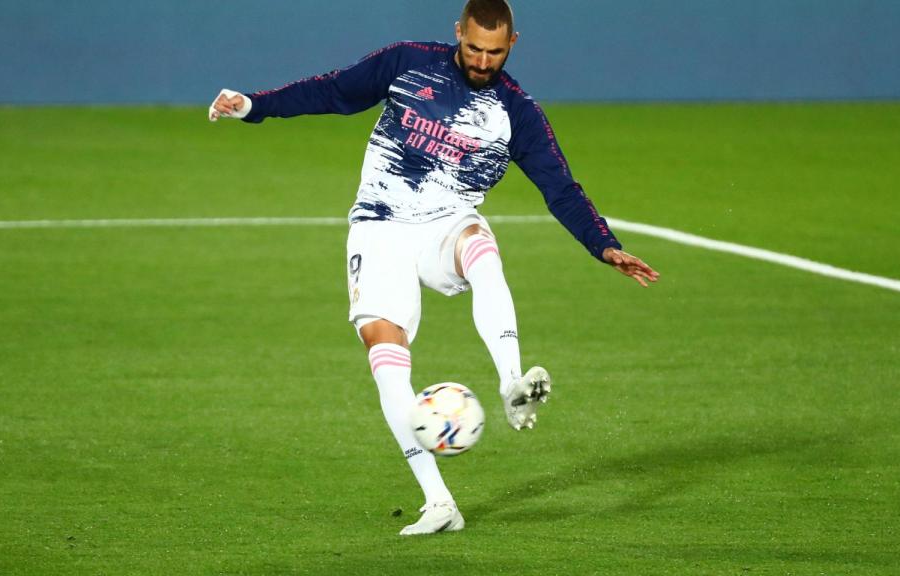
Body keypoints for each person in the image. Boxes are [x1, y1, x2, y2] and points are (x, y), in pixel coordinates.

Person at [210, 0, 659, 535]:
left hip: (446, 224)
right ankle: (439, 502)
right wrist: (252, 106)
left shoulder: (516, 111)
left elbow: (559, 188)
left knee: (481, 249)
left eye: (494, 52)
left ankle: (512, 383)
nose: (483, 60)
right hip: (379, 225)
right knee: (384, 352)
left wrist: (603, 244)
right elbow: (334, 90)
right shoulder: (408, 62)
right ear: (458, 34)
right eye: (473, 47)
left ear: (512, 45)